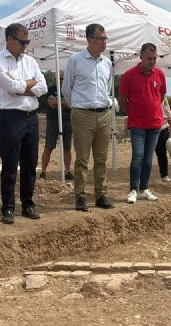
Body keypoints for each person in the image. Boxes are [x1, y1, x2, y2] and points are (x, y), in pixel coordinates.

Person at [0, 23, 47, 224]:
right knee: (10, 164)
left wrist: (22, 86)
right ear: (10, 40)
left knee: (30, 164)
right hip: (11, 117)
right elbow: (11, 87)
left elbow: (44, 86)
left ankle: (28, 204)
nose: (26, 45)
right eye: (23, 42)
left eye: (27, 41)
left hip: (31, 117)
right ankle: (7, 207)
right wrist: (28, 84)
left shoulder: (30, 61)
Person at [61, 23, 114, 212]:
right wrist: (77, 105)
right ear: (90, 39)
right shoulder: (75, 60)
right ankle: (80, 196)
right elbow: (66, 89)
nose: (104, 42)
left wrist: (105, 104)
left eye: (105, 38)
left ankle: (101, 195)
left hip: (104, 113)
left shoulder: (107, 63)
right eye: (101, 38)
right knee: (82, 158)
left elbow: (108, 88)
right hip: (82, 114)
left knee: (101, 158)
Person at [119, 43, 166, 204]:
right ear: (141, 57)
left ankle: (144, 188)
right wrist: (132, 112)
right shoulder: (129, 75)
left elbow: (161, 95)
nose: (152, 62)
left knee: (148, 158)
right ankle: (133, 189)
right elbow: (122, 99)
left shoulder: (159, 74)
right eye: (149, 58)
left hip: (155, 124)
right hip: (137, 124)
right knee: (138, 156)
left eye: (154, 59)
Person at [40, 71, 73, 182]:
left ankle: (68, 171)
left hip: (67, 121)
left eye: (63, 78)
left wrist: (60, 103)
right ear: (56, 79)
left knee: (67, 148)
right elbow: (51, 103)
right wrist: (64, 103)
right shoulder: (50, 89)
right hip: (53, 121)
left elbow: (72, 105)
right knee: (48, 146)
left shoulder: (70, 90)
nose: (62, 80)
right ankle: (43, 172)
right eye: (60, 78)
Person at [154, 96, 171, 183]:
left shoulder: (162, 91)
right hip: (147, 126)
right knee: (144, 154)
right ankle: (141, 177)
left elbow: (166, 106)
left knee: (162, 152)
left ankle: (164, 175)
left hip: (162, 125)